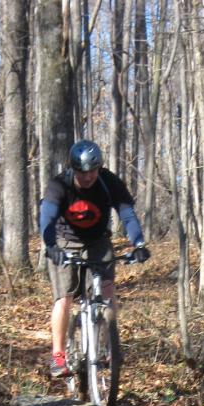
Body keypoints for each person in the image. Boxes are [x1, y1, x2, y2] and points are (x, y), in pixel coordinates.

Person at [39, 139, 150, 377]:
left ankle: (111, 345)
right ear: (73, 169)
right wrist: (51, 245)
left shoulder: (108, 182)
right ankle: (58, 356)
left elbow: (127, 214)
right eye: (82, 172)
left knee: (107, 289)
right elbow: (47, 218)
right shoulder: (60, 185)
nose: (87, 176)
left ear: (99, 168)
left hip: (98, 241)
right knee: (64, 298)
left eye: (92, 171)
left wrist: (138, 243)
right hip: (65, 241)